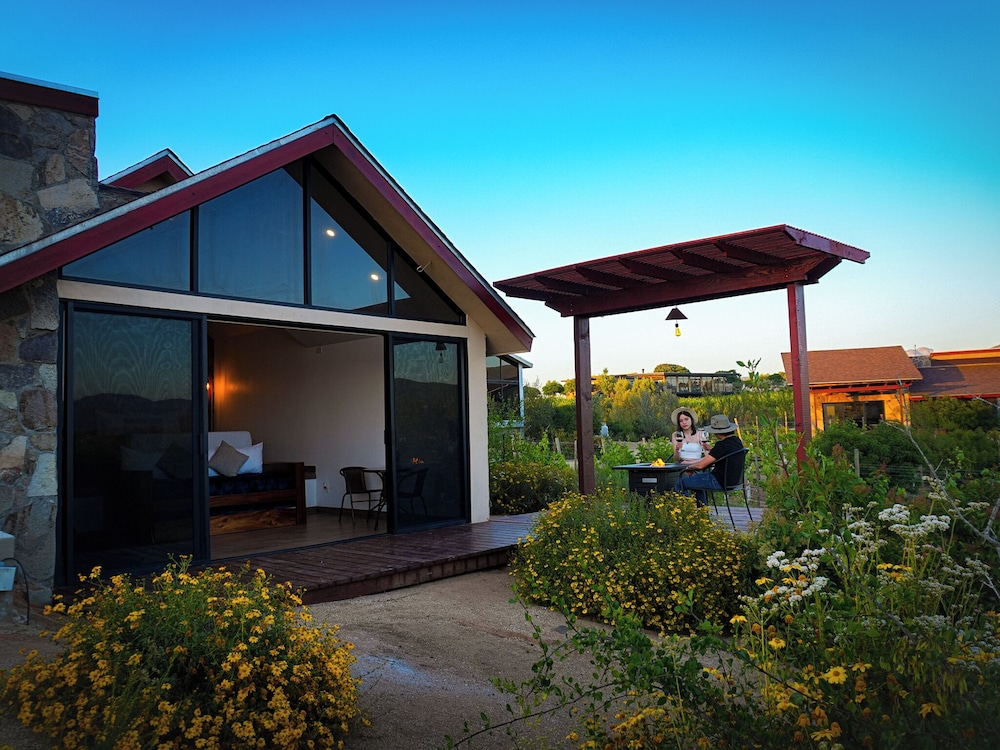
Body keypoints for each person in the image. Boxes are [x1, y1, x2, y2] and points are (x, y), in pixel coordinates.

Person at [674, 414, 745, 507]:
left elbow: (701, 466)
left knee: (680, 483)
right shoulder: (736, 441)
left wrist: (688, 467)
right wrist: (712, 450)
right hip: (734, 481)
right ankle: (702, 513)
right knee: (696, 483)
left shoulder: (721, 445)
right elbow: (724, 455)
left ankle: (688, 511)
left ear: (716, 432)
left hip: (719, 480)